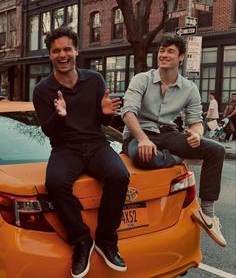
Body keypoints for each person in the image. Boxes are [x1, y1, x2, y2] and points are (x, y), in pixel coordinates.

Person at [33, 27, 129, 278]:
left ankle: (107, 242)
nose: (62, 55)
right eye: (56, 51)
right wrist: (59, 115)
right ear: (50, 55)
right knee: (54, 182)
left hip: (96, 144)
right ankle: (82, 241)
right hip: (65, 148)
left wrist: (107, 112)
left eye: (67, 49)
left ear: (77, 50)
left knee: (119, 175)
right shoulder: (43, 89)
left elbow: (102, 123)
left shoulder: (94, 79)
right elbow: (48, 131)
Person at [121, 35, 226, 247]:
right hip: (138, 134)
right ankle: (178, 158)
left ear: (181, 57)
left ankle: (207, 213)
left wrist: (197, 134)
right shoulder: (142, 79)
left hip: (168, 135)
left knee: (216, 150)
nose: (164, 55)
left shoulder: (189, 88)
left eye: (170, 51)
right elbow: (128, 112)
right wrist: (142, 139)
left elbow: (196, 121)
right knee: (144, 158)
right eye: (162, 50)